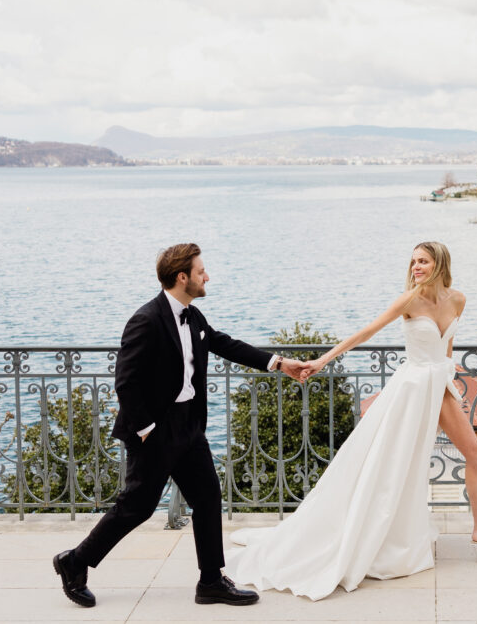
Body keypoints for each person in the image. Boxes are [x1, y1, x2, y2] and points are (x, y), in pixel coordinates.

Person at [225, 241, 477, 601]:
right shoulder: (407, 301)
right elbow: (364, 334)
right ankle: (379, 534)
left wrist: (452, 377)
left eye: (422, 261)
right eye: (413, 262)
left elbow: (448, 343)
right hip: (410, 390)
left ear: (440, 263)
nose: (415, 268)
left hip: (439, 386)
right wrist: (322, 361)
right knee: (393, 468)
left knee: (475, 452)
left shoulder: (458, 299)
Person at [53, 243, 306, 608]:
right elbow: (126, 381)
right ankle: (74, 561)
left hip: (188, 426)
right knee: (136, 507)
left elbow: (225, 344)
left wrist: (280, 363)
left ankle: (211, 581)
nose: (208, 276)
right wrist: (145, 430)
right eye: (202, 270)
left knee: (207, 496)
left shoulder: (194, 316)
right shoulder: (146, 320)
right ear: (182, 276)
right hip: (156, 430)